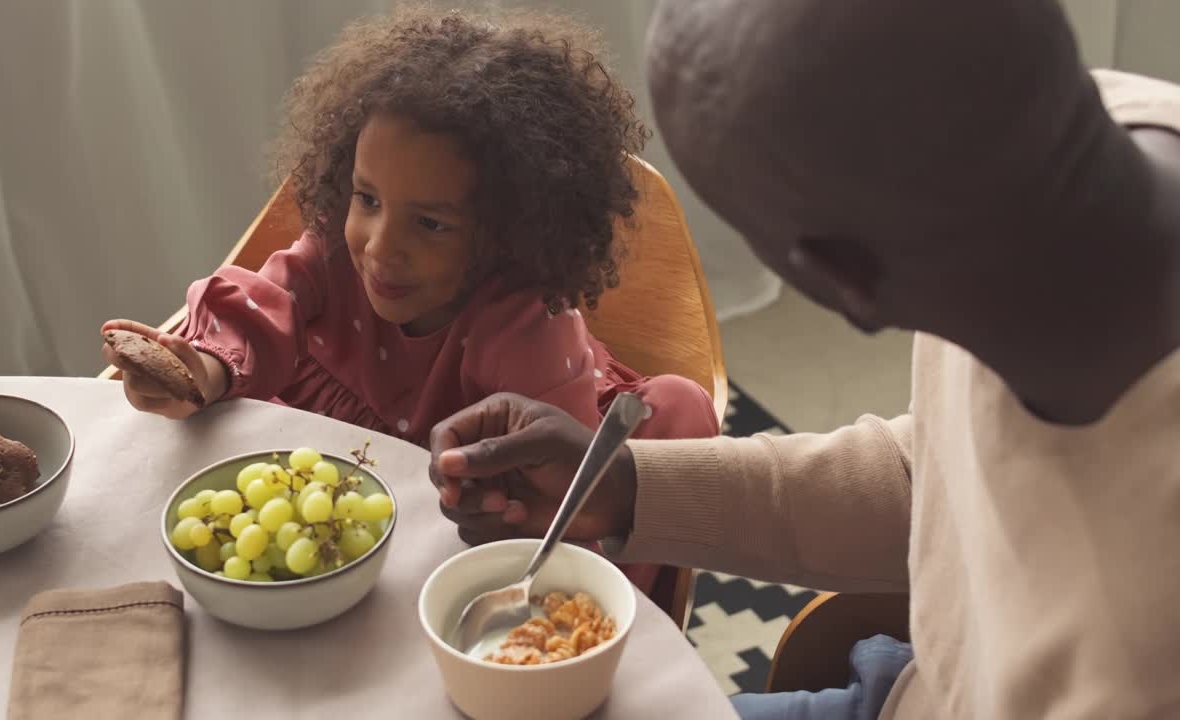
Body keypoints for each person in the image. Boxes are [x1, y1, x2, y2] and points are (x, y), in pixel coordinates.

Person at [428, 1, 1180, 718]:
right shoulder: (1051, 162)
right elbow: (944, 476)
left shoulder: (1136, 668)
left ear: (845, 284)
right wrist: (625, 484)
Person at [99, 5, 718, 597]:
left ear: (509, 233)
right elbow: (259, 312)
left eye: (430, 224)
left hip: (484, 517)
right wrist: (200, 371)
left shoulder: (527, 327)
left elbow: (548, 499)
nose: (379, 248)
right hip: (350, 501)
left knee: (673, 417)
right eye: (367, 199)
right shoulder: (333, 254)